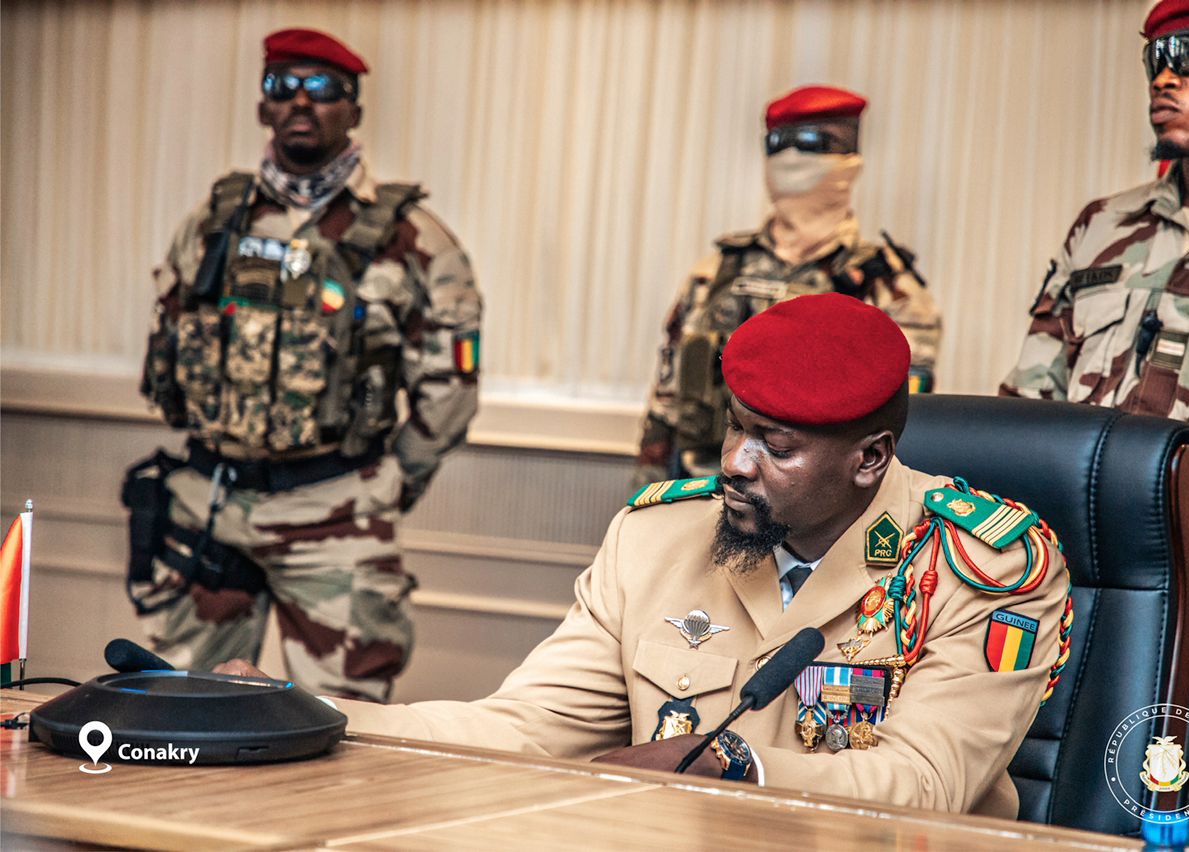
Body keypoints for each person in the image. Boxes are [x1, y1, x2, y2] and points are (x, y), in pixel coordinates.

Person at [220, 293, 1067, 815]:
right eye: (735, 427)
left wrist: (736, 765)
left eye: (775, 445)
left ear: (870, 459)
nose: (736, 462)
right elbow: (521, 730)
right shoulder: (657, 536)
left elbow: (924, 786)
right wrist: (307, 711)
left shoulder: (984, 565)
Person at [130, 28, 481, 703]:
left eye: (321, 88)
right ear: (261, 105)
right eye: (281, 85)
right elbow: (168, 338)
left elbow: (450, 393)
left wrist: (384, 486)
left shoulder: (412, 239)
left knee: (339, 724)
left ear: (354, 109)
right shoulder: (213, 222)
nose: (300, 100)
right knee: (177, 710)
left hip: (334, 516)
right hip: (209, 506)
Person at [999, 0, 1189, 843]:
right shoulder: (1103, 228)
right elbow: (1026, 420)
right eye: (1155, 56)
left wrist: (1157, 513)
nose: (1165, 76)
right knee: (1059, 834)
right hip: (1079, 619)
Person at [636, 85, 943, 484]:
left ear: (849, 165)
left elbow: (900, 427)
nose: (791, 158)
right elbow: (666, 402)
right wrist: (646, 493)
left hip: (819, 504)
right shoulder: (714, 274)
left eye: (813, 144)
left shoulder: (887, 287)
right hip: (704, 486)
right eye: (777, 145)